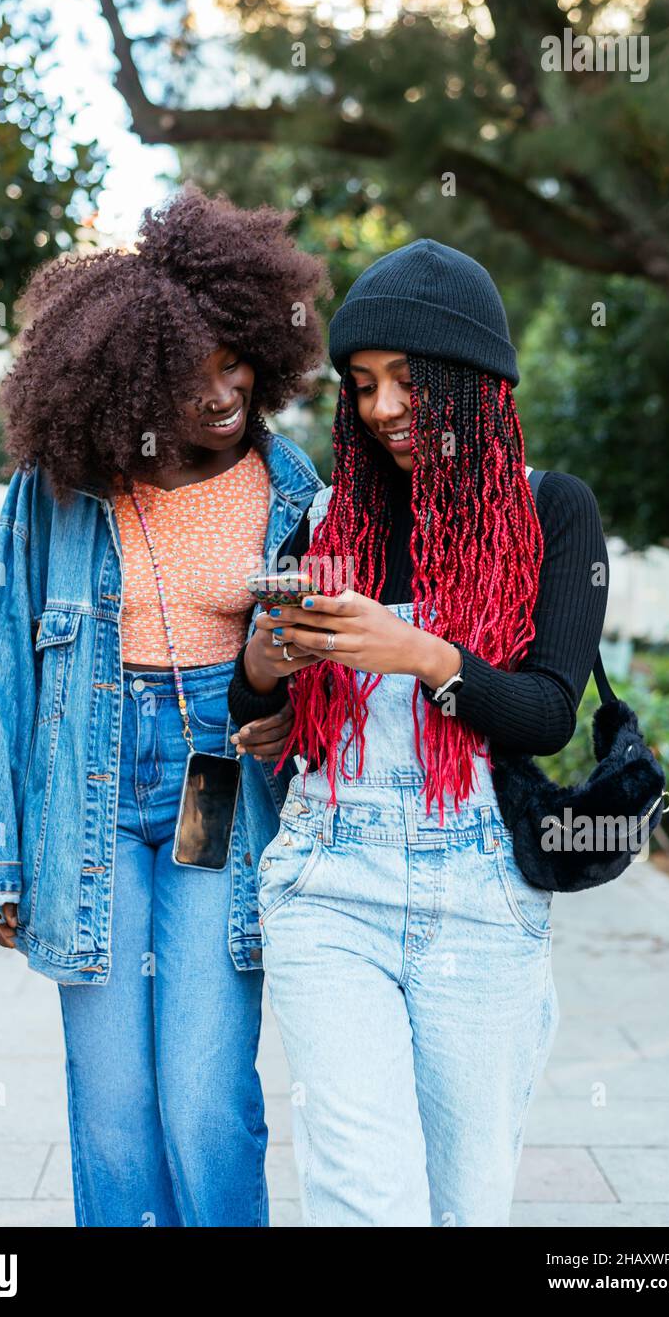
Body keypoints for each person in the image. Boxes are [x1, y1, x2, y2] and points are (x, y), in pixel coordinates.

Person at [0, 184, 328, 1227]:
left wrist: (296, 710)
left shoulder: (292, 489)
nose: (221, 389)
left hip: (220, 775)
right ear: (128, 374)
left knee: (205, 1097)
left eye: (233, 357)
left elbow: (329, 661)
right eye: (187, 369)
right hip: (88, 787)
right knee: (114, 1103)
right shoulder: (62, 486)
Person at [228, 238, 609, 1226]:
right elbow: (263, 717)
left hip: (484, 893)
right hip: (329, 882)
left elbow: (549, 711)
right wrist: (265, 667)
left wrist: (417, 649)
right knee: (364, 1198)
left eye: (407, 379)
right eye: (362, 385)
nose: (382, 407)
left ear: (474, 379)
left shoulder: (549, 512)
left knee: (465, 1208)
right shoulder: (322, 522)